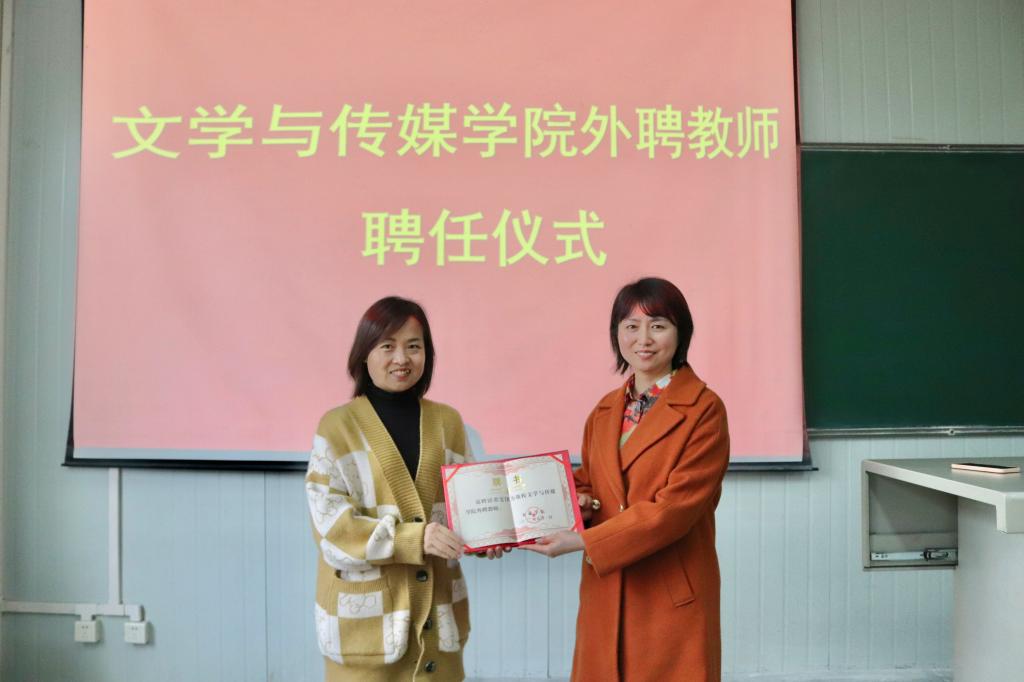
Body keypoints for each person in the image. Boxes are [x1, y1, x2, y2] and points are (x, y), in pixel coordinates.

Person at [523, 277, 730, 681]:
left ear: (681, 333)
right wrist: (578, 503)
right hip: (605, 590)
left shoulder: (704, 410)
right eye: (631, 326)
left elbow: (674, 510)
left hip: (667, 594)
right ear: (616, 334)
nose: (643, 339)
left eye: (658, 325)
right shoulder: (605, 410)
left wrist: (585, 541)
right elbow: (591, 482)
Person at [305, 296, 500, 682]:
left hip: (438, 628)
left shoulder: (448, 422)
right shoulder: (336, 427)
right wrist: (414, 538)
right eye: (387, 346)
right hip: (366, 636)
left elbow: (468, 506)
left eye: (414, 346)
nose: (402, 358)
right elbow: (331, 529)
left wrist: (489, 535)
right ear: (364, 353)